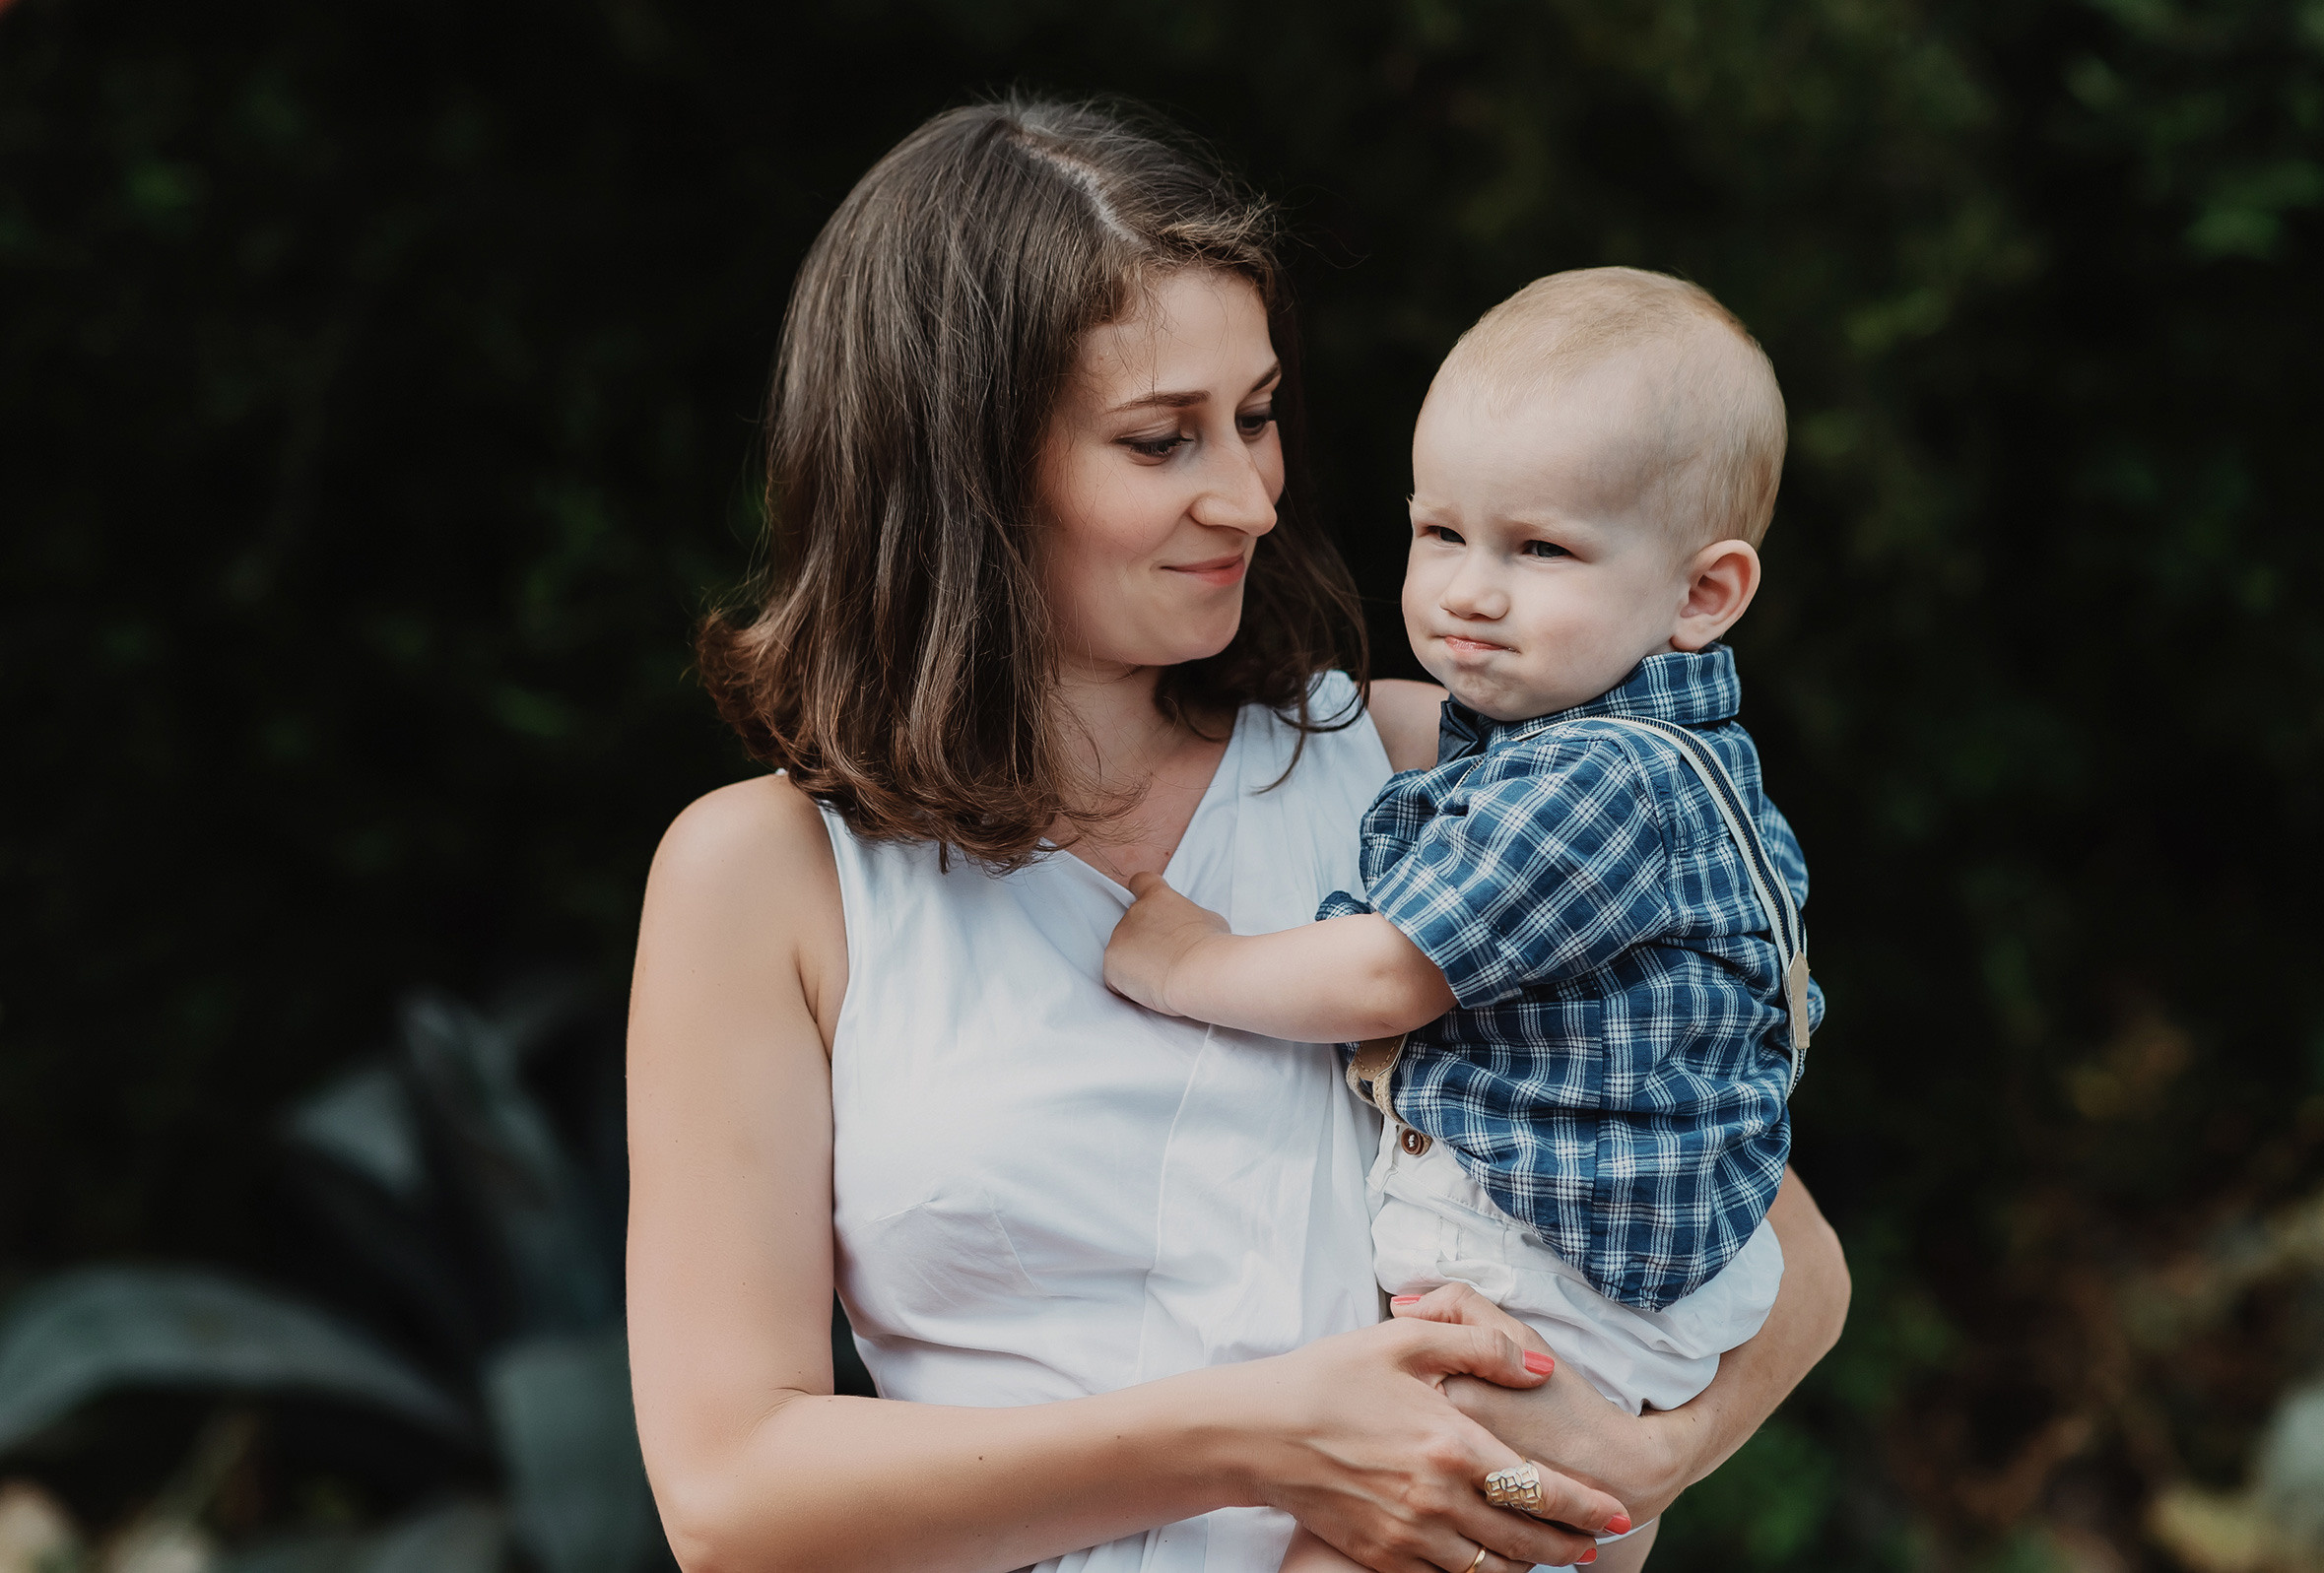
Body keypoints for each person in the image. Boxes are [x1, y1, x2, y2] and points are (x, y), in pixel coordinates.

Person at [625, 98, 1849, 1573]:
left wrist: (1645, 1455)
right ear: (959, 470)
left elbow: (1786, 1251)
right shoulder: (763, 879)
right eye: (1161, 440)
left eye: (1258, 415)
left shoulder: (1420, 775)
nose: (1252, 495)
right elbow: (731, 1494)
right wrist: (1261, 1433)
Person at [1104, 268, 1816, 1573]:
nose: (1470, 592)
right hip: (1566, 1278)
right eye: (1442, 534)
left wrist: (1194, 958)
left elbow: (1388, 975)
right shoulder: (1543, 756)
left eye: (1539, 549)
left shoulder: (1604, 779)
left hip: (1556, 1280)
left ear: (1702, 594)